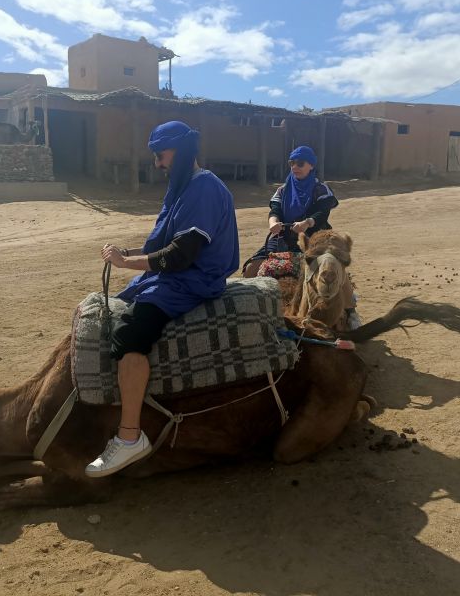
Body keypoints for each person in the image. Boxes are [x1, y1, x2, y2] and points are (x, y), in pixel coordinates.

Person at [86, 121, 240, 477]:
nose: (158, 164)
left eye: (161, 155)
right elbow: (162, 246)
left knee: (131, 336)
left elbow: (180, 255)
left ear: (182, 151)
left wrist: (127, 263)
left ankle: (129, 437)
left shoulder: (203, 189)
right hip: (176, 275)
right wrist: (128, 252)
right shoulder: (183, 187)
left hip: (192, 280)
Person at [242, 146, 360, 327]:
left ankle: (351, 311)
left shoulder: (321, 190)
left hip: (314, 238)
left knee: (334, 269)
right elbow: (274, 210)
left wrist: (307, 223)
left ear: (311, 165)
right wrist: (273, 222)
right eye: (292, 163)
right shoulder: (283, 189)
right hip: (283, 237)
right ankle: (249, 311)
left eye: (300, 163)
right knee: (251, 268)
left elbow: (323, 212)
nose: (295, 167)